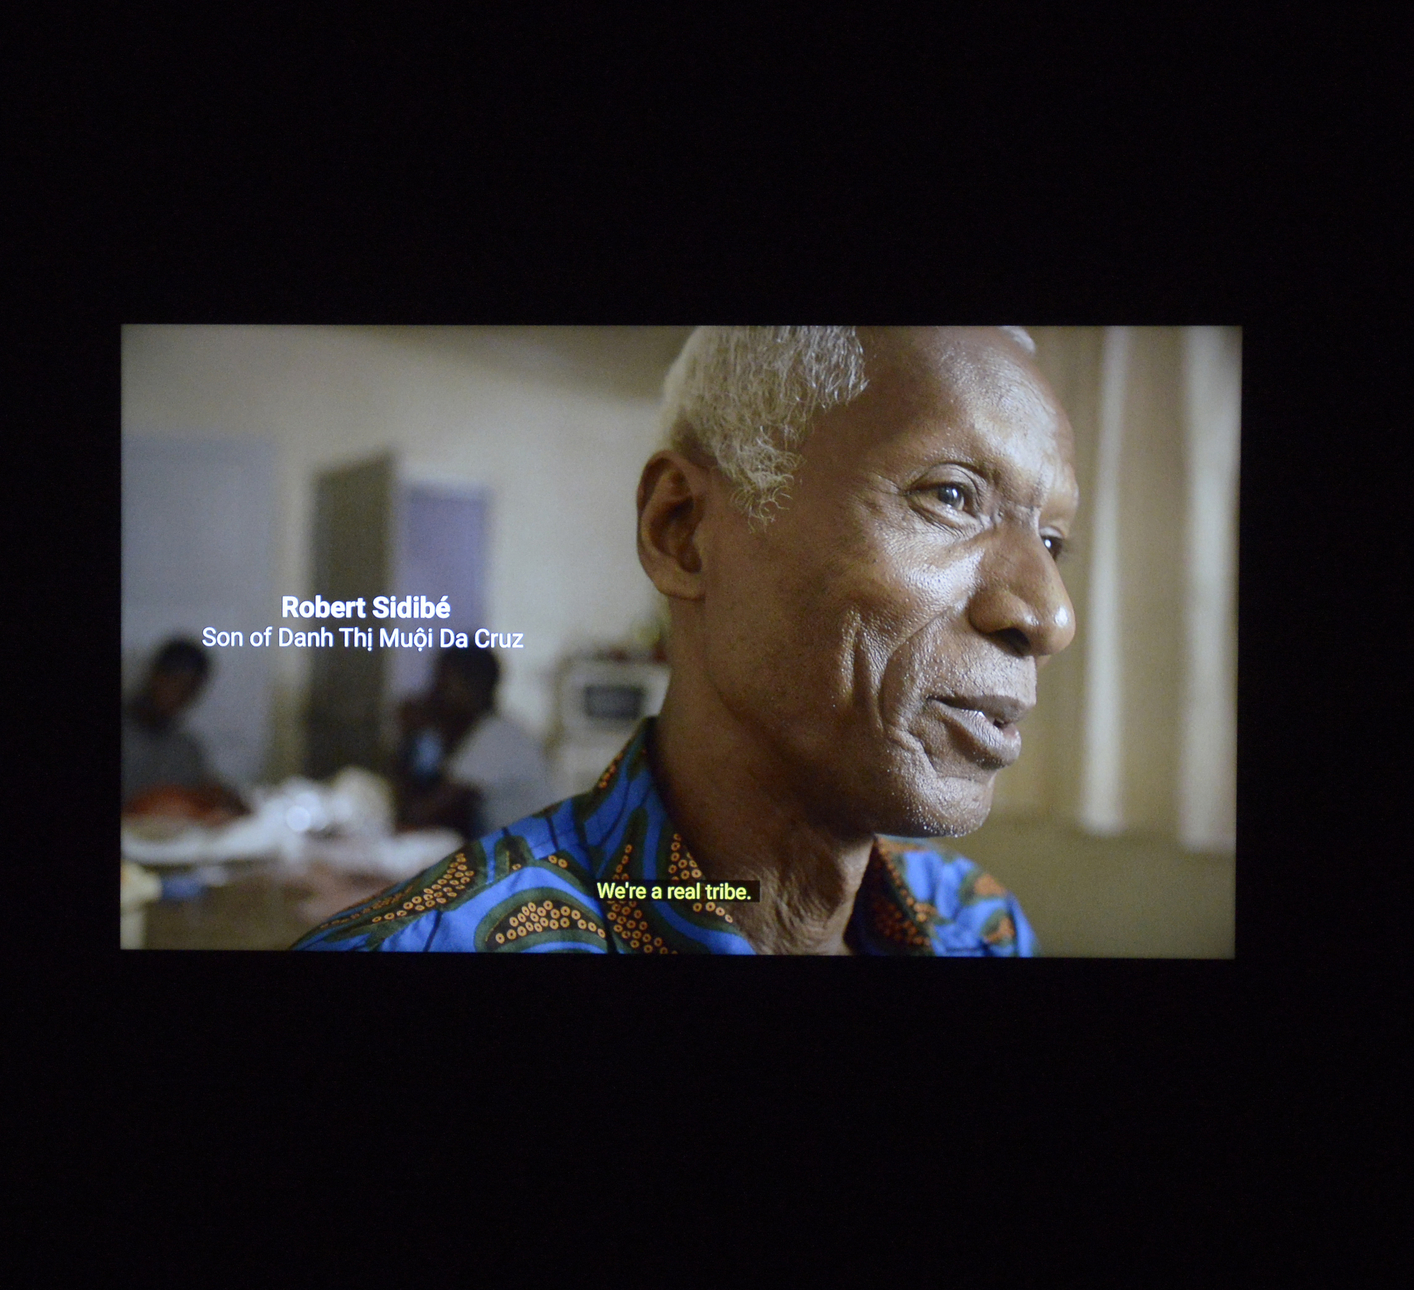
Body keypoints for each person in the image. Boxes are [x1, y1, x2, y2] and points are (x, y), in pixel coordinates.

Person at [296, 326, 1076, 954]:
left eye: (1051, 539)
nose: (1049, 615)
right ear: (683, 531)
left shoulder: (981, 928)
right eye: (950, 494)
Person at [392, 646, 551, 843]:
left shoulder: (496, 739)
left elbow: (421, 814)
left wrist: (409, 736)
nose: (434, 693)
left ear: (472, 687)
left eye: (443, 682)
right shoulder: (488, 732)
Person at [122, 638, 249, 822]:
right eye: (175, 684)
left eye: (191, 691)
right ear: (154, 675)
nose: (181, 698)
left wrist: (223, 800)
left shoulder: (185, 747)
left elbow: (204, 789)